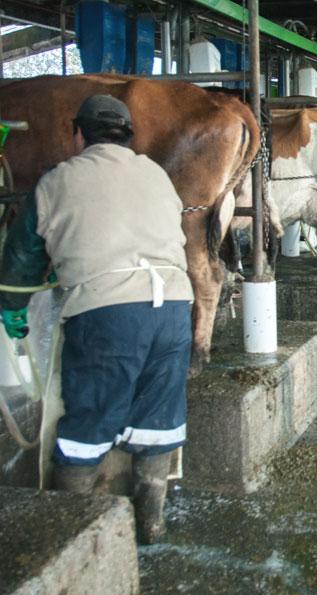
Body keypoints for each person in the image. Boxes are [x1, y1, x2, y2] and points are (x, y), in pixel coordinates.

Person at [0, 94, 194, 544]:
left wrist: (10, 309)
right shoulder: (157, 174)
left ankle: (74, 538)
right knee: (157, 418)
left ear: (78, 135)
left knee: (88, 423)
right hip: (173, 311)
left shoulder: (56, 182)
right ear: (128, 136)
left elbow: (23, 259)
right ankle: (151, 525)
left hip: (108, 312)